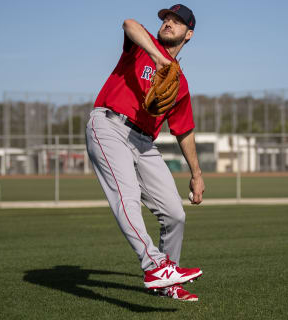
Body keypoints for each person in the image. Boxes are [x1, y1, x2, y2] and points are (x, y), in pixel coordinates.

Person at [85, 4, 205, 302]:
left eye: (177, 22)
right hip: (110, 126)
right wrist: (157, 56)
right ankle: (155, 266)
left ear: (188, 35)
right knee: (126, 198)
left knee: (175, 213)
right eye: (167, 18)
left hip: (144, 143)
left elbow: (184, 130)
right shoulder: (142, 47)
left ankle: (168, 282)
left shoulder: (180, 83)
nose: (168, 22)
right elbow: (128, 24)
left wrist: (197, 174)